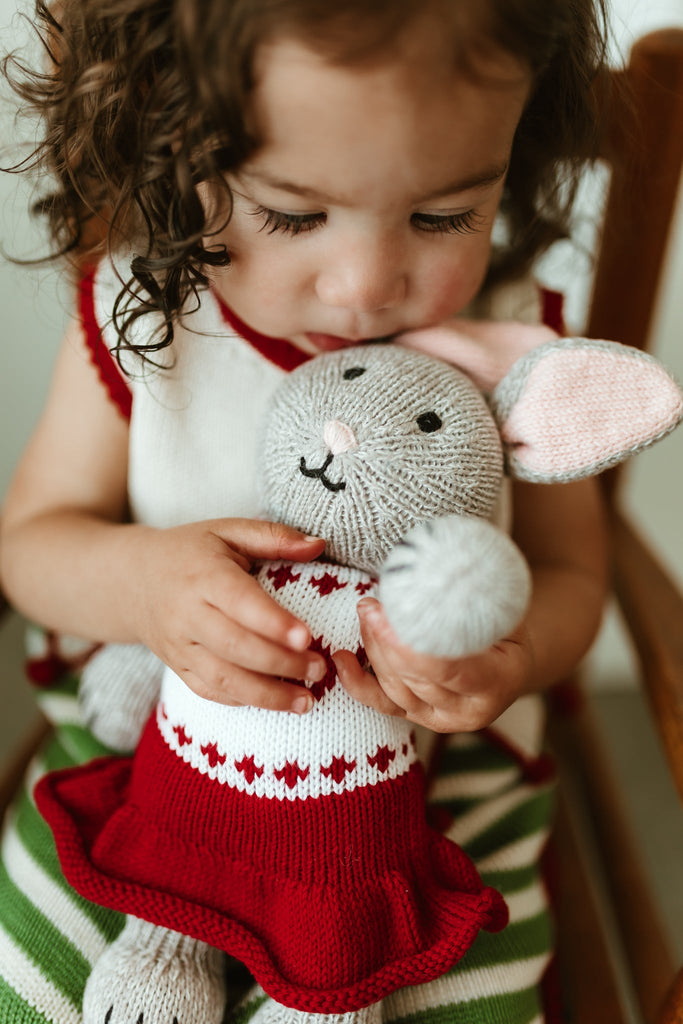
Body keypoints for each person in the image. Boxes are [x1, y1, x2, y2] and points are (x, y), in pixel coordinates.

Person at [0, 0, 610, 1021]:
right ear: (176, 147)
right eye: (291, 214)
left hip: (433, 773)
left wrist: (504, 663)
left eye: (441, 215)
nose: (366, 287)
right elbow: (31, 545)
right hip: (151, 748)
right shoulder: (145, 318)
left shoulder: (520, 348)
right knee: (44, 992)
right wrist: (146, 586)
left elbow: (571, 577)